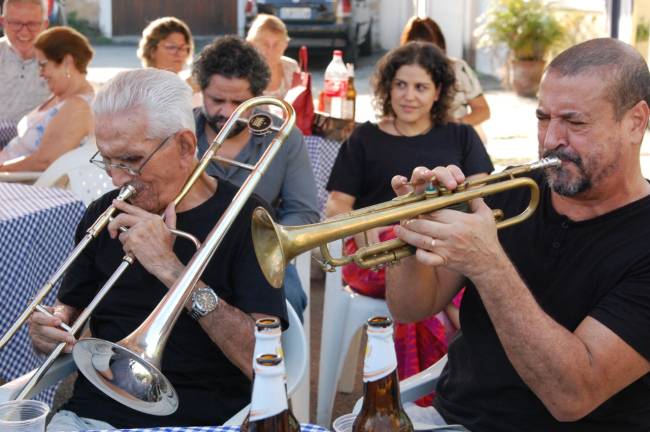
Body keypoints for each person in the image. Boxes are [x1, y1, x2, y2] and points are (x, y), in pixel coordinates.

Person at [387, 38, 650, 431]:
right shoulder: (511, 190)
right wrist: (414, 228)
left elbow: (572, 396)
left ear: (635, 122)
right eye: (543, 118)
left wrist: (489, 265)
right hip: (450, 419)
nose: (550, 140)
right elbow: (410, 309)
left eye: (575, 122)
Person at [28, 69, 287, 430]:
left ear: (183, 146)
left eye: (131, 161)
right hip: (95, 415)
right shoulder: (103, 212)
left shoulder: (247, 217)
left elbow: (262, 360)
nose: (117, 180)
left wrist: (171, 268)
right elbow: (68, 314)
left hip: (205, 418)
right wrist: (47, 330)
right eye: (107, 160)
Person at [325, 41, 493, 394]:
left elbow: (481, 197)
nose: (409, 96)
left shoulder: (461, 135)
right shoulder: (364, 138)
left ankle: (413, 395)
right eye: (400, 85)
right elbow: (338, 205)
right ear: (388, 87)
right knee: (414, 260)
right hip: (377, 255)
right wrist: (372, 231)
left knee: (437, 262)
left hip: (446, 247)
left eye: (421, 87)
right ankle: (433, 393)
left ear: (439, 92)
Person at [192, 35, 319, 322]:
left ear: (259, 98)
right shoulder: (181, 133)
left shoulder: (284, 136)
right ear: (201, 92)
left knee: (288, 304)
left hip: (261, 256)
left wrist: (264, 245)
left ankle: (271, 367)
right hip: (190, 253)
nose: (226, 112)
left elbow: (304, 212)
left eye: (239, 102)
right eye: (216, 100)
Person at [0, 25, 94, 172]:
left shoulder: (78, 107)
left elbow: (45, 161)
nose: (40, 73)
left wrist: (2, 168)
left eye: (43, 65)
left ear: (67, 62)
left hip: (16, 183)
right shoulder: (60, 97)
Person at [401, 16, 490, 142]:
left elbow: (483, 110)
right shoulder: (399, 74)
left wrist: (457, 124)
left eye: (429, 50)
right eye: (415, 50)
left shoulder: (458, 69)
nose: (422, 56)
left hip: (455, 138)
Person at [0, 0, 50, 148]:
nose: (24, 31)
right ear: (3, 22)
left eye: (32, 24)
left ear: (45, 24)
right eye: (16, 23)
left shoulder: (60, 60)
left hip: (45, 149)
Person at [246, 13, 299, 99]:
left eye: (277, 44)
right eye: (264, 44)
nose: (271, 50)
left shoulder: (291, 67)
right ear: (251, 44)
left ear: (285, 44)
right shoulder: (243, 71)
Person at [137, 16, 197, 91]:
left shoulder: (192, 85)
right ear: (152, 50)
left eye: (183, 48)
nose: (179, 53)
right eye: (171, 47)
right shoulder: (139, 88)